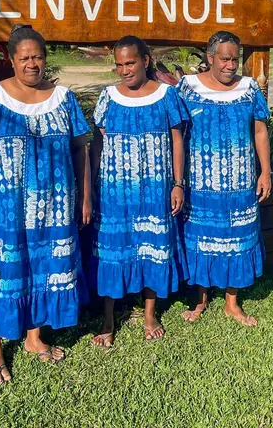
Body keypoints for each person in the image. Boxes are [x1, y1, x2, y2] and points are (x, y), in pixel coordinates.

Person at [0, 25, 91, 383]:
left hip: (54, 206)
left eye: (38, 57)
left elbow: (81, 149)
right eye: (25, 58)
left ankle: (35, 337)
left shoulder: (63, 98)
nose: (32, 64)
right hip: (6, 208)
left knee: (43, 269)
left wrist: (84, 196)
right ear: (12, 60)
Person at [89, 36, 189, 346]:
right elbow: (98, 144)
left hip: (154, 189)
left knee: (151, 248)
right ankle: (108, 317)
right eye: (118, 64)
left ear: (145, 61)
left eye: (130, 63)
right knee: (112, 250)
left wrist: (177, 183)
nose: (124, 70)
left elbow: (177, 141)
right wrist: (91, 187)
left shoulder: (167, 96)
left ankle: (149, 313)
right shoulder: (107, 97)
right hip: (114, 191)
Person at [177, 31, 271, 326]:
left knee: (238, 240)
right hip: (199, 185)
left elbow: (259, 131)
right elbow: (176, 133)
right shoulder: (187, 88)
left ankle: (232, 303)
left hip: (240, 183)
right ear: (210, 58)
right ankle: (200, 299)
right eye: (225, 59)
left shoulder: (249, 88)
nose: (231, 65)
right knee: (200, 242)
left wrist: (264, 171)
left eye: (235, 59)